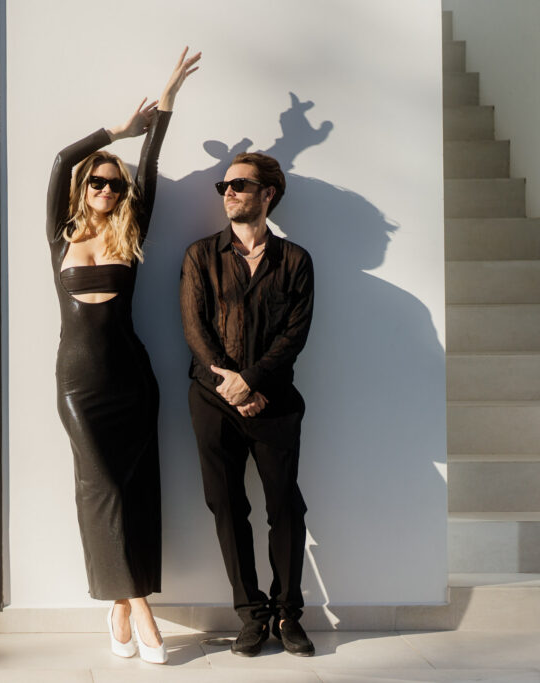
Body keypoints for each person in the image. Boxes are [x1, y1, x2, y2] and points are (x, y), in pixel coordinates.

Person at [48, 48, 201, 664]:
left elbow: (153, 164)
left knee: (133, 489)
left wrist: (168, 102)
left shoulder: (130, 232)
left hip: (132, 380)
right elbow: (61, 159)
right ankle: (140, 606)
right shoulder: (60, 233)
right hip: (78, 384)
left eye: (115, 183)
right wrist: (115, 132)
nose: (107, 189)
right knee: (101, 486)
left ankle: (118, 607)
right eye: (99, 182)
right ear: (85, 187)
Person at [179, 152, 316, 657]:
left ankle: (287, 614)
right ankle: (252, 614)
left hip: (273, 401)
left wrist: (253, 383)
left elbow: (293, 336)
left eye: (239, 184)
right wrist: (232, 387)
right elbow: (195, 328)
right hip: (212, 399)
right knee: (227, 505)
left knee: (286, 506)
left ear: (268, 194)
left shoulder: (295, 261)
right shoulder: (200, 255)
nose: (229, 192)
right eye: (225, 186)